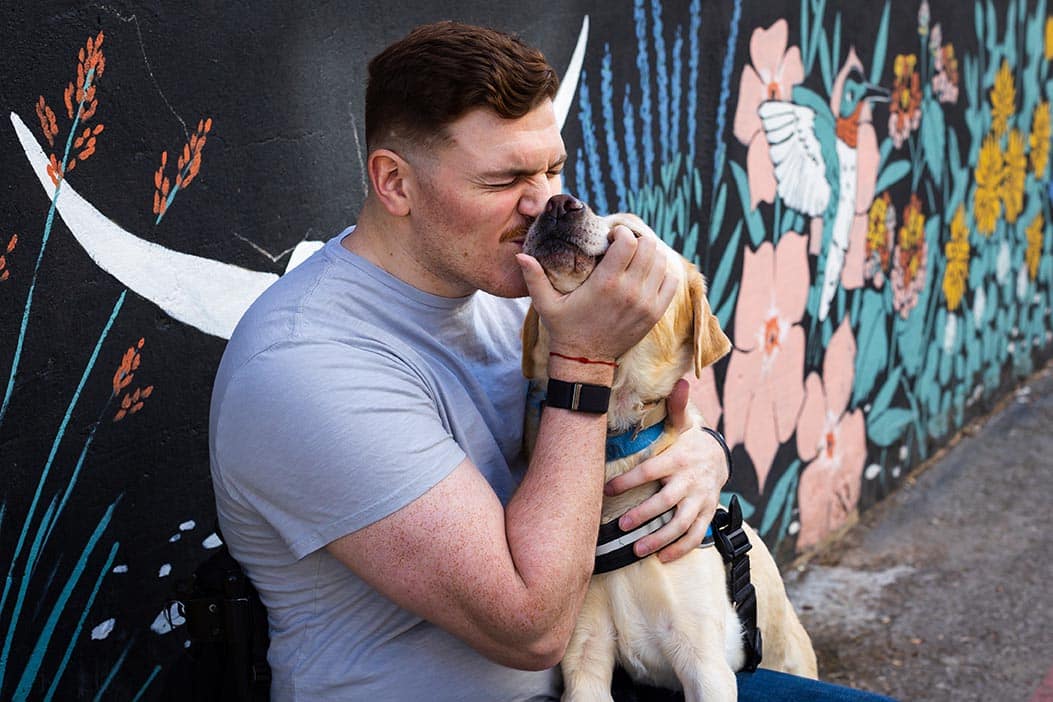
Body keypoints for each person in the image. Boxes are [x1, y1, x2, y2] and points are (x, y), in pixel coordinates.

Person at [209, 21, 894, 702]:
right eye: (505, 178)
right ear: (394, 184)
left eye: (552, 168)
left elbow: (649, 401)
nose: (544, 203)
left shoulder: (510, 283)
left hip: (608, 669)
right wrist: (580, 363)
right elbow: (528, 629)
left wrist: (699, 453)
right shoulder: (305, 366)